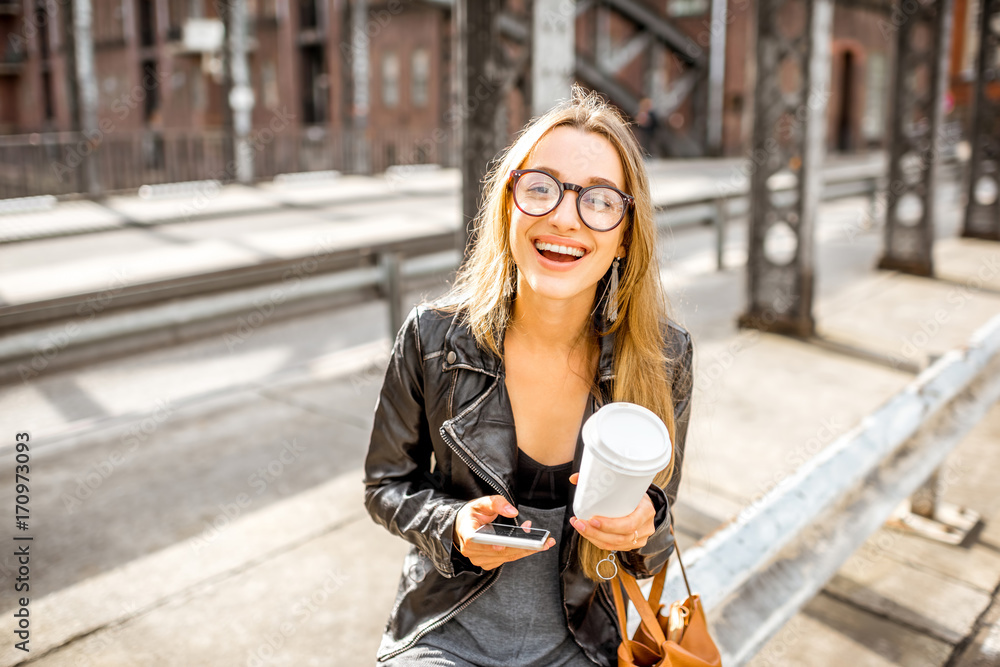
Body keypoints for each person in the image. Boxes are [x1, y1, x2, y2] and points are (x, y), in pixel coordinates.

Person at [363, 85, 694, 667]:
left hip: (585, 646)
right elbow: (385, 485)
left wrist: (644, 525)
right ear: (507, 207)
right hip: (445, 634)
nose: (565, 216)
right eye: (541, 188)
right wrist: (452, 525)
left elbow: (656, 532)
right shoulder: (433, 339)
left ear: (624, 235)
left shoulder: (662, 358)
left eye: (599, 200)